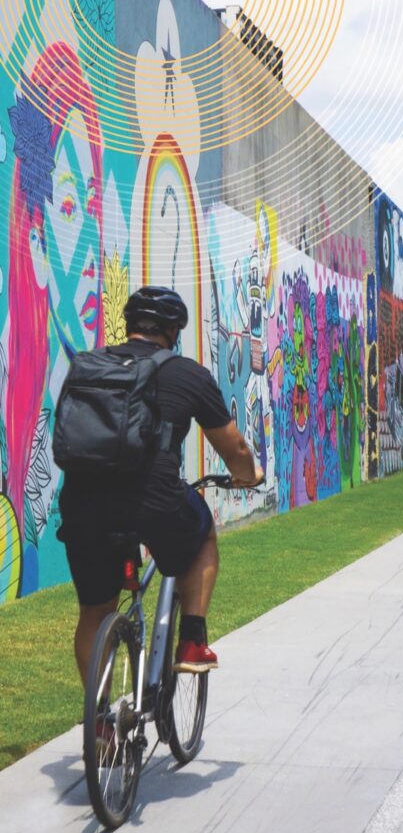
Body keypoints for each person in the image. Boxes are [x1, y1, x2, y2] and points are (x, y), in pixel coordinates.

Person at [57, 286, 265, 681]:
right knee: (202, 534)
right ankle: (191, 641)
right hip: (153, 501)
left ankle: (98, 725)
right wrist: (247, 474)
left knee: (94, 612)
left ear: (129, 325)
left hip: (83, 505)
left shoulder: (87, 366)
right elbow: (234, 446)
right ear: (174, 331)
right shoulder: (187, 373)